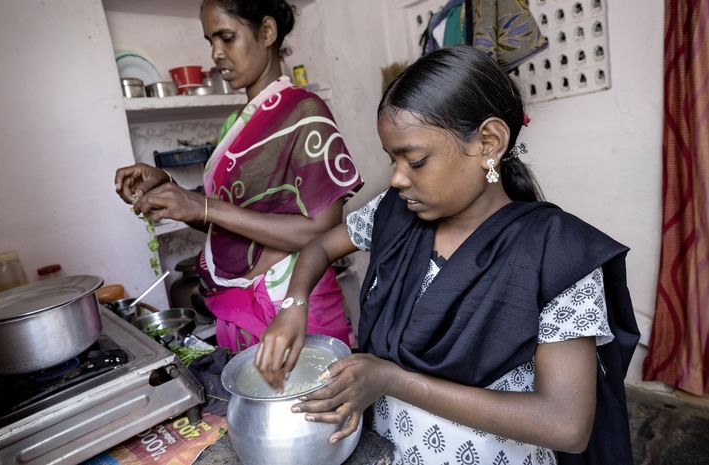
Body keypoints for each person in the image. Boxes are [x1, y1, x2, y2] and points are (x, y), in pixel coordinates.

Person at [255, 46, 639, 465]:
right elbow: (317, 246)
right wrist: (294, 305)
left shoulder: (556, 253)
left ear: (488, 143)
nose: (398, 177)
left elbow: (565, 425)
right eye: (392, 158)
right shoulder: (393, 213)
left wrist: (392, 380)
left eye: (416, 160)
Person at [114, 0, 363, 352]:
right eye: (209, 41)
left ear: (266, 32)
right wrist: (170, 191)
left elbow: (323, 230)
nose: (215, 53)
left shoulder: (305, 113)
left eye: (226, 37)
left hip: (291, 309)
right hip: (240, 313)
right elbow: (228, 223)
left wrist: (202, 205)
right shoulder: (235, 125)